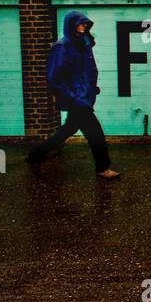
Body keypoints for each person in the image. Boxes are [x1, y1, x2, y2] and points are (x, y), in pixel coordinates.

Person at [26, 11, 121, 179]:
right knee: (96, 134)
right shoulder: (63, 46)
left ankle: (35, 156)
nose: (84, 26)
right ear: (71, 24)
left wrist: (90, 88)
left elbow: (83, 71)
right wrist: (73, 95)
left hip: (84, 96)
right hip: (78, 100)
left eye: (86, 24)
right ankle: (103, 168)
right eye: (81, 23)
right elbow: (54, 77)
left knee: (67, 130)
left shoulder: (83, 44)